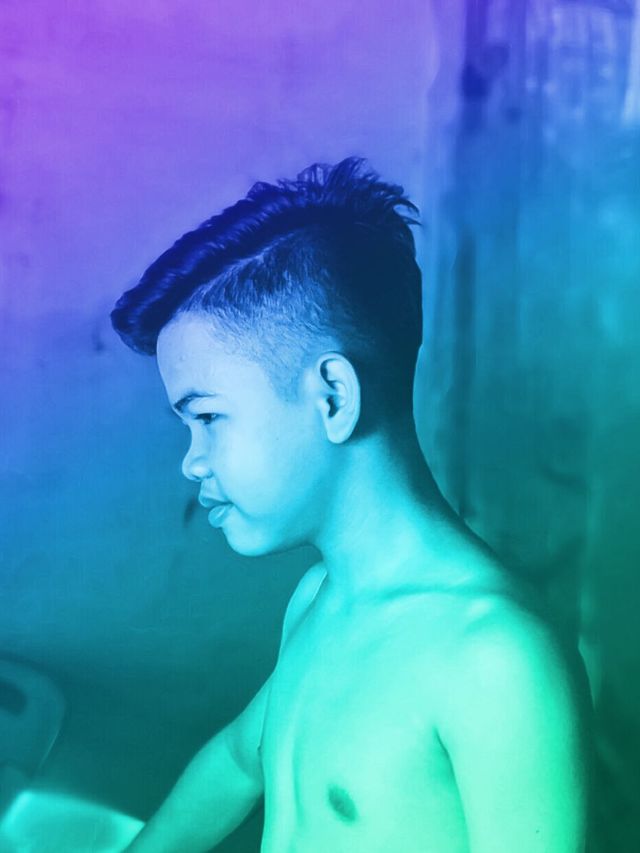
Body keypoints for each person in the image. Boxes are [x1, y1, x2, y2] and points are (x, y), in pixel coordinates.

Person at [111, 158, 591, 852]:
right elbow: (237, 761)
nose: (192, 460)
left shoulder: (495, 659)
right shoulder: (319, 598)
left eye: (208, 417)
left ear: (333, 396)